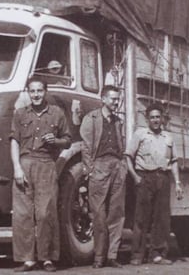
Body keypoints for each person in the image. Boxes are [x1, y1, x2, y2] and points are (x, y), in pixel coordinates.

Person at [10, 77, 71, 272]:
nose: (36, 94)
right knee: (23, 214)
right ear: (28, 92)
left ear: (46, 91)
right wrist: (17, 168)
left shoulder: (57, 113)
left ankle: (47, 258)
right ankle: (27, 259)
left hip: (46, 165)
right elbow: (14, 142)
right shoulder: (20, 114)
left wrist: (56, 141)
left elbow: (68, 140)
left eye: (39, 90)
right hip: (25, 164)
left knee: (46, 213)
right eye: (32, 91)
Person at [125, 103, 183, 266]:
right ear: (147, 119)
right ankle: (137, 255)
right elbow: (128, 156)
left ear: (162, 118)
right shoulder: (140, 134)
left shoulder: (168, 137)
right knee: (141, 218)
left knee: (162, 218)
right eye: (152, 117)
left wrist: (177, 182)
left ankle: (157, 254)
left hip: (163, 178)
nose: (156, 120)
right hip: (145, 177)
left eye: (158, 117)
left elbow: (174, 161)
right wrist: (135, 177)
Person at [79, 85, 127, 269]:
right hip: (98, 166)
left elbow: (121, 144)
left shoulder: (118, 121)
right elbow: (85, 146)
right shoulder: (91, 118)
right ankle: (99, 256)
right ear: (104, 99)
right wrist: (89, 169)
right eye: (113, 99)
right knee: (98, 213)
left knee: (116, 212)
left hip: (117, 167)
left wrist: (122, 165)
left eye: (117, 99)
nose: (116, 102)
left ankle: (112, 256)